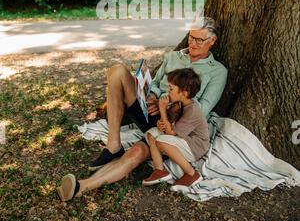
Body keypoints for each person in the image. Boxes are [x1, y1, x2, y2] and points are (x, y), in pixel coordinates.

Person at [57, 17, 227, 201]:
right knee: (117, 71)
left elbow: (202, 110)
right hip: (151, 110)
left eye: (199, 40)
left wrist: (167, 102)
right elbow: (154, 83)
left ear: (212, 41)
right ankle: (113, 144)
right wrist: (152, 95)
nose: (193, 43)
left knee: (136, 152)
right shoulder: (173, 56)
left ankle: (81, 186)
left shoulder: (217, 71)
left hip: (173, 127)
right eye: (191, 37)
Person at [143, 68, 209, 189]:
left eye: (171, 89)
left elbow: (170, 133)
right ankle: (159, 170)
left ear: (184, 93)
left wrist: (162, 109)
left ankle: (191, 173)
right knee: (151, 134)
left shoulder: (193, 110)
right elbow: (169, 123)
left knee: (161, 141)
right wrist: (160, 123)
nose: (168, 92)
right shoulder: (178, 103)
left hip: (195, 146)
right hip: (183, 137)